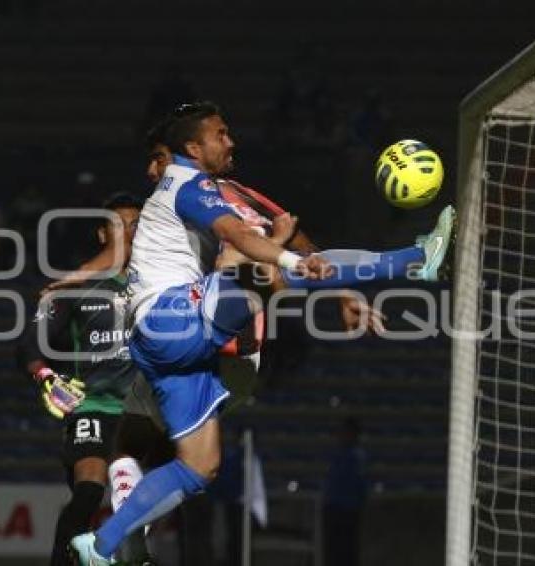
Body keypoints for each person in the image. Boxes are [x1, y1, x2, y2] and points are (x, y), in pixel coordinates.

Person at [71, 101, 455, 564]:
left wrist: (311, 272)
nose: (230, 141)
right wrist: (291, 259)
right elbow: (254, 242)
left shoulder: (207, 190)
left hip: (179, 345)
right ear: (193, 147)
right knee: (257, 271)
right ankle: (415, 260)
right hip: (175, 322)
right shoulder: (188, 185)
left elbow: (262, 239)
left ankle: (102, 545)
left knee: (199, 466)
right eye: (221, 133)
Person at [19, 193, 157, 566]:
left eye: (137, 223)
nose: (130, 230)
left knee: (140, 505)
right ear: (102, 235)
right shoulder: (78, 285)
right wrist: (47, 378)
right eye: (120, 223)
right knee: (89, 491)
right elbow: (32, 343)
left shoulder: (159, 284)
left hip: (141, 413)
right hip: (93, 405)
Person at [323, 418, 368, 566]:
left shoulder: (357, 456)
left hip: (349, 511)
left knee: (347, 552)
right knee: (333, 552)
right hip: (334, 509)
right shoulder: (336, 456)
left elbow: (359, 485)